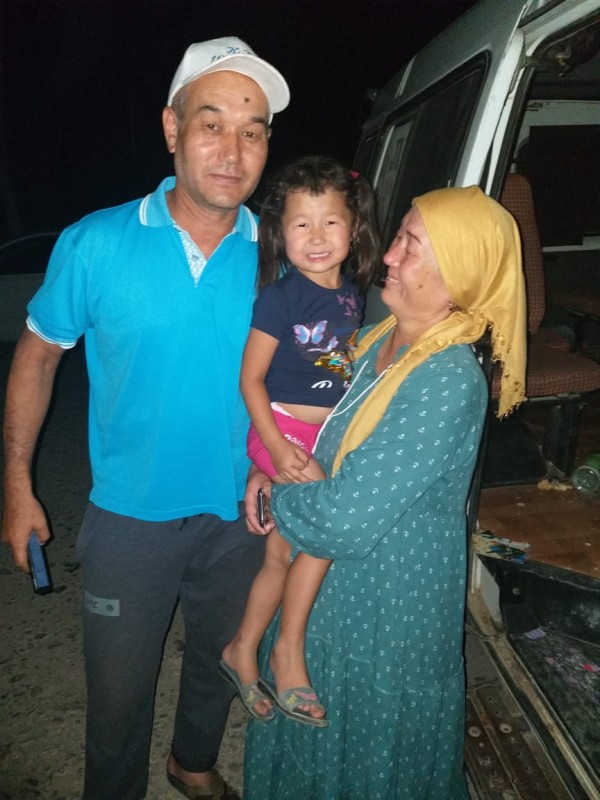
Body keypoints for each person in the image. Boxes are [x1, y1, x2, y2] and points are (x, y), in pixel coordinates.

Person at [1, 37, 289, 800]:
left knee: (221, 660)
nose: (233, 151)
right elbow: (37, 357)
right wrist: (17, 483)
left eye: (253, 131)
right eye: (211, 124)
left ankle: (191, 763)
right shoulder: (95, 243)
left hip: (243, 513)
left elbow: (308, 377)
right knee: (118, 695)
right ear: (172, 128)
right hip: (129, 518)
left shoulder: (283, 254)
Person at [242, 185, 527, 800]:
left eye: (411, 245)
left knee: (371, 763)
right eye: (398, 236)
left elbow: (342, 519)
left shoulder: (446, 379)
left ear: (458, 276)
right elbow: (317, 439)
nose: (389, 255)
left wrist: (276, 500)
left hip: (387, 615)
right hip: (326, 605)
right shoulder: (375, 339)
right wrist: (270, 466)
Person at [220, 156, 381, 727]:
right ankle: (287, 654)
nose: (316, 237)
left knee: (279, 553)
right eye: (301, 224)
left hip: (322, 435)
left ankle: (241, 649)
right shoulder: (280, 297)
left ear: (353, 229)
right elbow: (250, 379)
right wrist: (274, 448)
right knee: (331, 525)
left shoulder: (352, 295)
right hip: (281, 429)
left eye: (330, 222)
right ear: (280, 233)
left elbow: (339, 369)